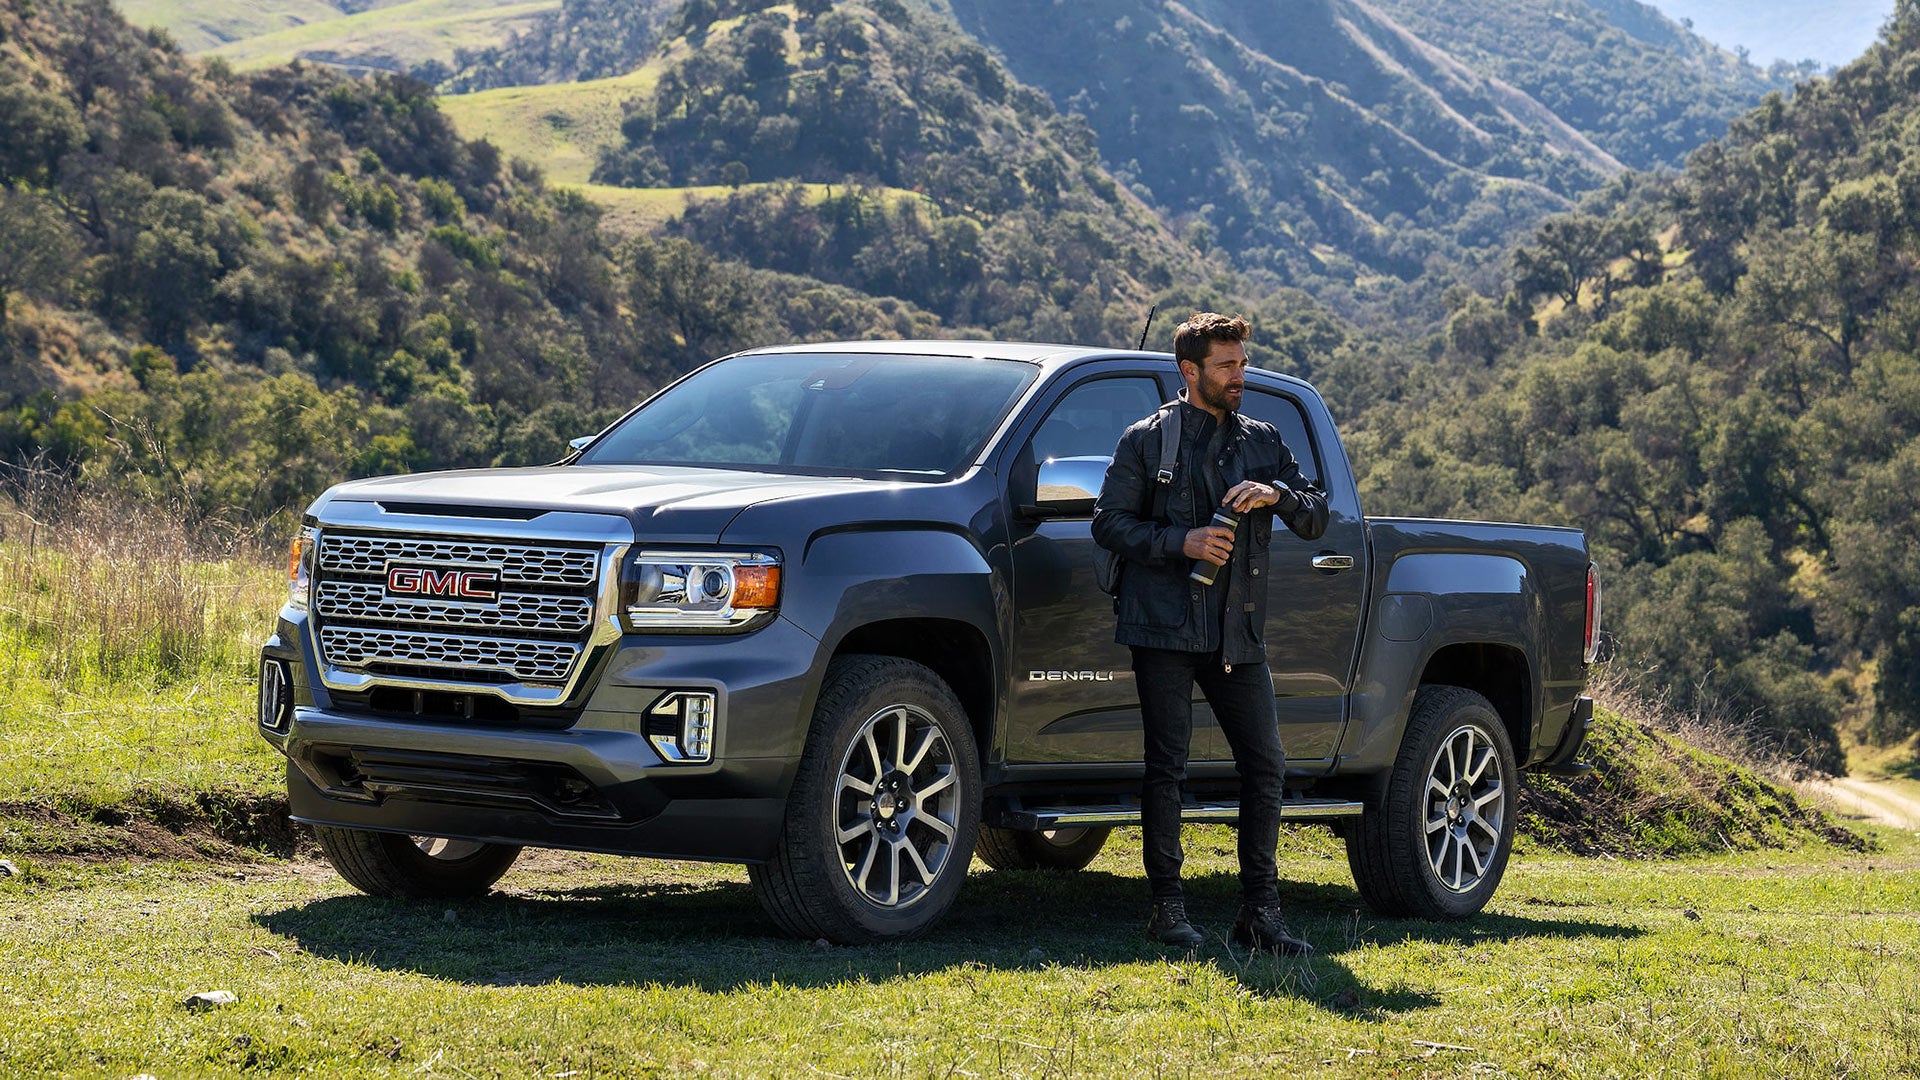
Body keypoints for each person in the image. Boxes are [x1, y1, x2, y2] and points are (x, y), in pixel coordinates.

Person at [1091, 312, 1328, 953]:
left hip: (1237, 633)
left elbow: (1316, 516)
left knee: (1266, 765)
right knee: (1166, 768)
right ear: (1189, 371)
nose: (1239, 376)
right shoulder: (1147, 441)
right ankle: (1167, 913)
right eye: (1226, 366)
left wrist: (1278, 494)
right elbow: (1108, 523)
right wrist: (1182, 541)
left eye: (1242, 364)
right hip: (1162, 627)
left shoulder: (1264, 441)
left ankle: (1260, 917)